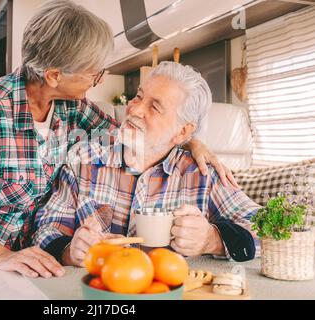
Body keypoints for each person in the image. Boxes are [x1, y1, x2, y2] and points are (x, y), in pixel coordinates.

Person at [0, 0, 236, 299]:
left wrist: (189, 138)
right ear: (55, 75)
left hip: (11, 256)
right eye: (94, 72)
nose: (100, 80)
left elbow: (130, 132)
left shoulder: (70, 105)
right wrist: (3, 256)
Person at [33, 61, 260, 267]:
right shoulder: (83, 160)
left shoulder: (202, 174)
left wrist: (213, 240)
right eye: (139, 96)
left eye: (155, 107)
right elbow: (46, 229)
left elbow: (270, 230)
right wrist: (69, 251)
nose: (134, 109)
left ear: (183, 131)